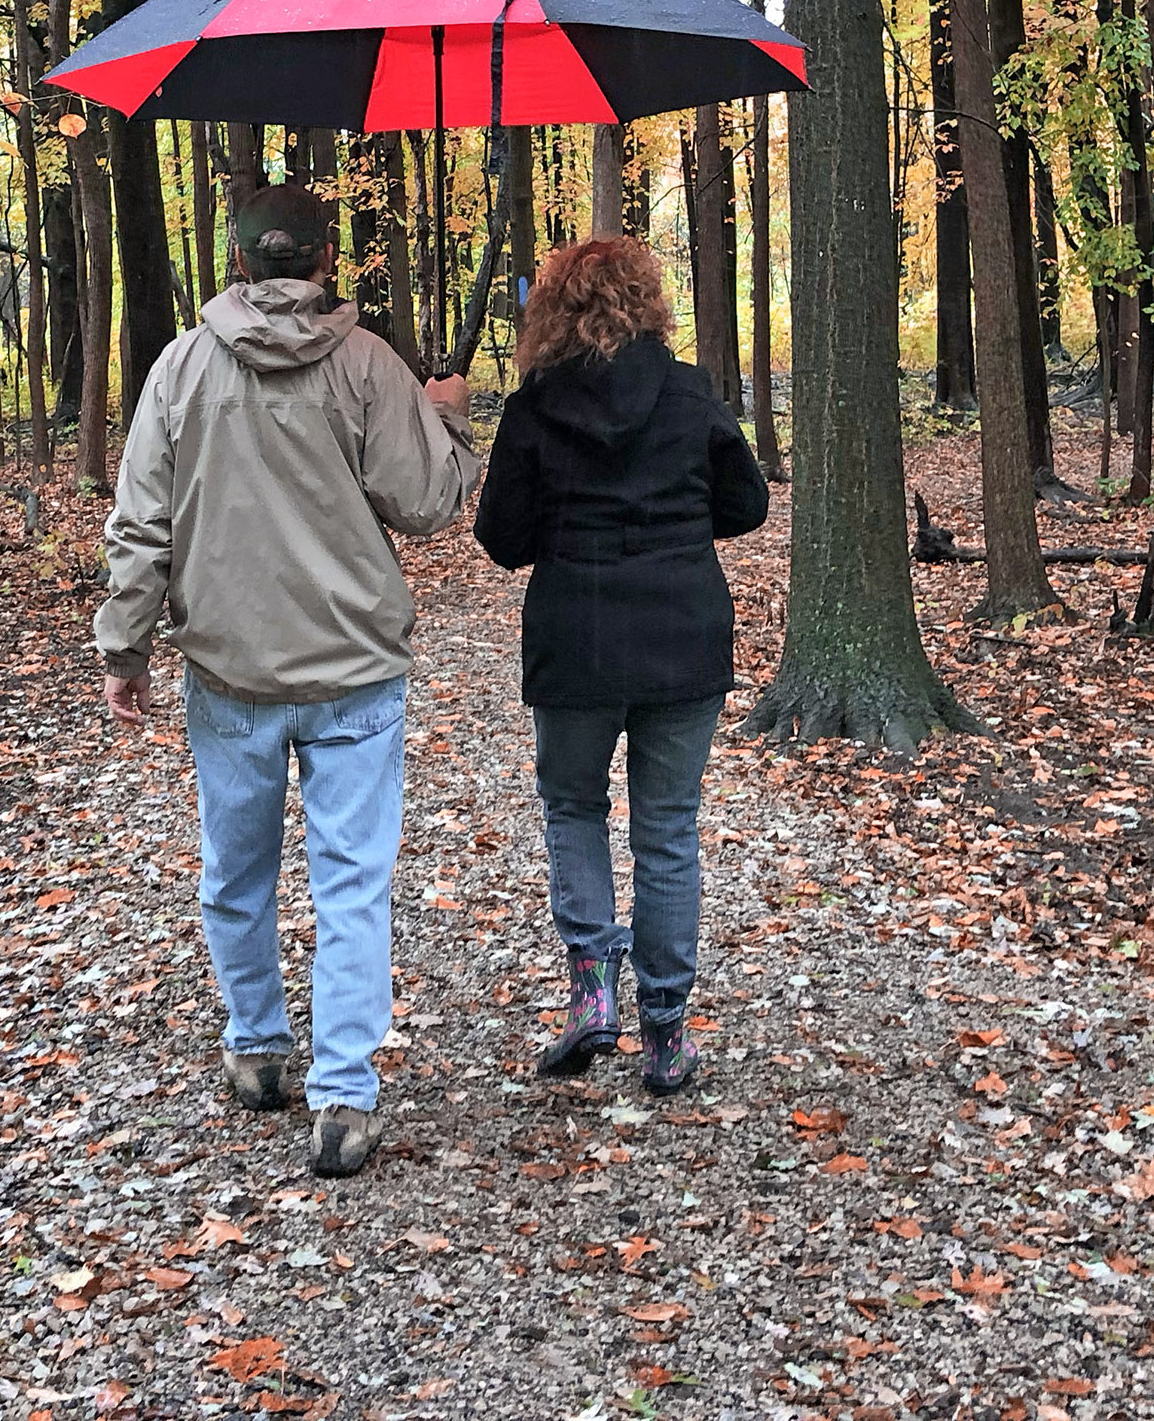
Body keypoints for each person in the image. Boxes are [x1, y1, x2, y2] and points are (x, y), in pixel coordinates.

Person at [97, 184, 477, 1177]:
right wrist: (452, 426)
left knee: (237, 869)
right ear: (324, 259)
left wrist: (125, 649)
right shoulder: (366, 365)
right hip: (354, 669)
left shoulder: (182, 367)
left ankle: (259, 1047)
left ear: (236, 264)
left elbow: (142, 524)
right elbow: (431, 506)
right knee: (353, 883)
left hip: (231, 669)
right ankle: (344, 1096)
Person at [473, 235, 769, 1095]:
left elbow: (501, 537)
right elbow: (746, 505)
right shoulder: (689, 394)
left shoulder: (534, 407)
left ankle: (593, 992)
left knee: (574, 807)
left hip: (576, 640)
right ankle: (667, 1033)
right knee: (668, 828)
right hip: (682, 635)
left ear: (551, 312)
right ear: (647, 301)